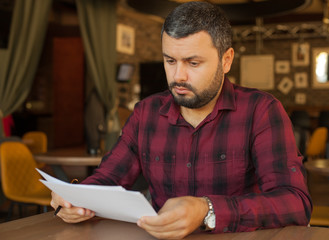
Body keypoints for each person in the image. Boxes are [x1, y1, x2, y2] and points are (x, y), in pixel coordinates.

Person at [51, 2, 312, 239]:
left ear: (226, 60)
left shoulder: (261, 111)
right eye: (170, 61)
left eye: (193, 63)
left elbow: (295, 203)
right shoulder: (146, 114)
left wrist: (207, 210)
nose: (179, 76)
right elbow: (108, 179)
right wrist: (75, 199)